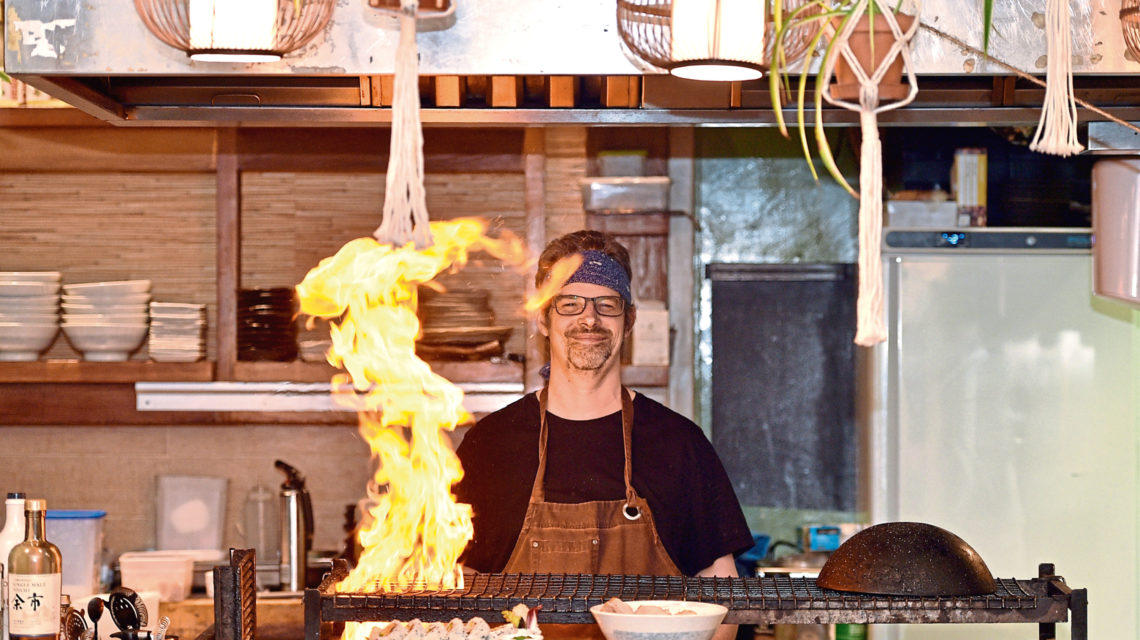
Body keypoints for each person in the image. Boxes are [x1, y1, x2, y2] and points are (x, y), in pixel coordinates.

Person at [455, 230, 753, 622]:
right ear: (543, 319)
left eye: (607, 303)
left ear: (628, 321)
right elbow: (456, 588)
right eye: (570, 303)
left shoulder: (680, 444)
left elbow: (721, 598)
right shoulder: (490, 445)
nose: (589, 318)